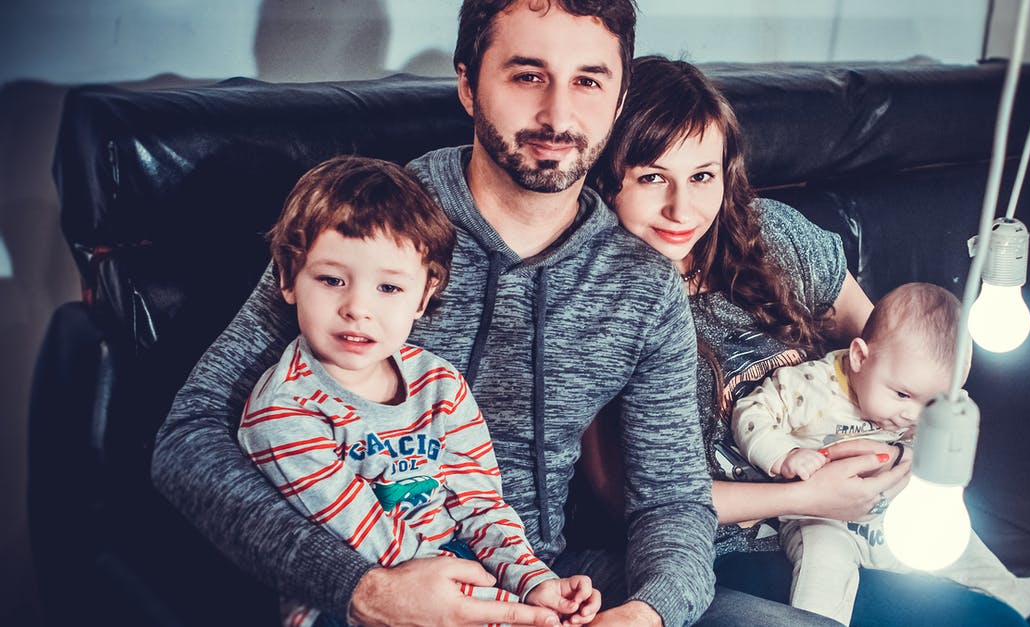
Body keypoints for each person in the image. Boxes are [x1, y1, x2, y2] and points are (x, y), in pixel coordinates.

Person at [152, 3, 836, 627]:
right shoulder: (367, 228)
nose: (558, 115)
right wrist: (364, 586)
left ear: (620, 96)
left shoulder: (641, 282)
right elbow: (187, 441)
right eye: (526, 75)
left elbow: (673, 501)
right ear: (467, 83)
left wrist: (647, 614)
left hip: (545, 580)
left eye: (589, 81)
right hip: (373, 584)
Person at [583, 55, 1030, 626]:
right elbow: (623, 497)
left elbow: (899, 353)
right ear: (607, 178)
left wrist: (909, 449)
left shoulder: (774, 236)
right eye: (651, 177)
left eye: (702, 176)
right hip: (736, 548)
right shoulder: (604, 304)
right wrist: (805, 499)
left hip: (870, 506)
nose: (682, 209)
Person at [237, 155, 600, 626]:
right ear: (288, 278)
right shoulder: (284, 411)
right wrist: (494, 609)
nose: (358, 309)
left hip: (455, 564)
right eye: (331, 280)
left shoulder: (439, 384)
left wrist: (532, 580)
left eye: (388, 288)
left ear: (424, 296)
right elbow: (366, 539)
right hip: (360, 598)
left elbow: (480, 503)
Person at [732, 282, 1030, 625]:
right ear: (859, 357)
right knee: (824, 566)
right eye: (901, 394)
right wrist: (785, 453)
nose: (913, 414)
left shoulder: (916, 403)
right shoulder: (812, 385)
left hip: (894, 515)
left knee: (962, 544)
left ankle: (1014, 594)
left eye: (931, 403)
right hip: (822, 516)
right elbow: (751, 413)